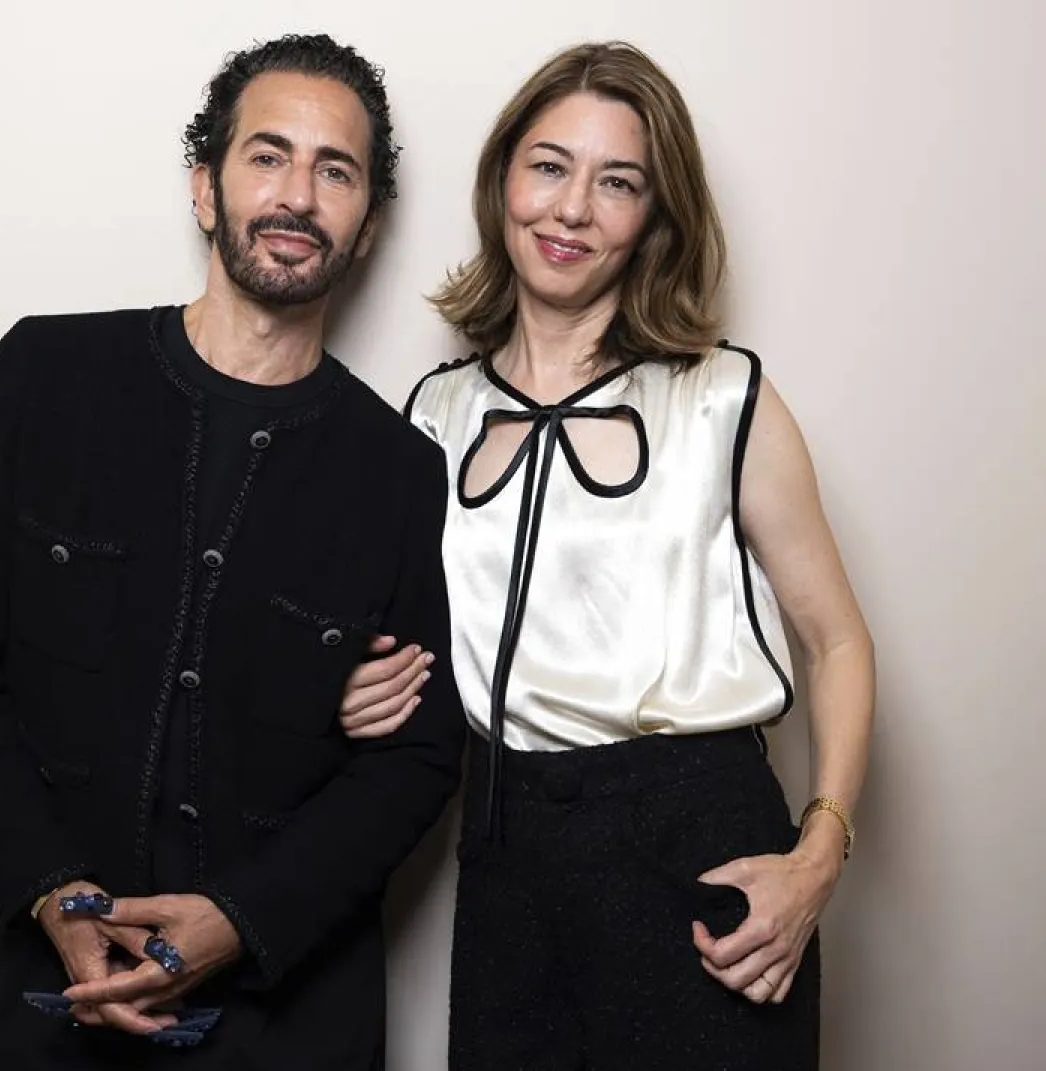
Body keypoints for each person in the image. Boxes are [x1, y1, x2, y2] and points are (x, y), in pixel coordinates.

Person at [0, 33, 465, 1071]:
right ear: (205, 188)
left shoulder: (400, 470)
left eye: (335, 171)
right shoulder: (44, 374)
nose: (297, 195)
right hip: (51, 998)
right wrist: (51, 889)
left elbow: (419, 756)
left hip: (293, 1024)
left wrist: (244, 917)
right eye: (267, 155)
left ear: (368, 226)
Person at [341, 41, 875, 1070]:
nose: (573, 209)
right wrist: (365, 686)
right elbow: (415, 643)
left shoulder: (724, 398)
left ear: (655, 216)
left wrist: (819, 853)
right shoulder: (434, 415)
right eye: (549, 166)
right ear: (503, 180)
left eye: (618, 182)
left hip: (701, 845)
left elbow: (837, 640)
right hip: (507, 851)